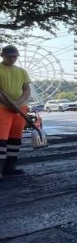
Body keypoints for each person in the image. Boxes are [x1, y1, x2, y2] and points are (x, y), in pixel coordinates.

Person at [0, 45, 31, 180]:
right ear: (2, 56)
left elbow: (27, 89)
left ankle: (9, 168)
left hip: (20, 108)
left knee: (15, 140)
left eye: (15, 56)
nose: (13, 59)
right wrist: (8, 104)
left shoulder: (22, 71)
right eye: (10, 56)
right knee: (1, 140)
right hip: (2, 108)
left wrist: (18, 103)